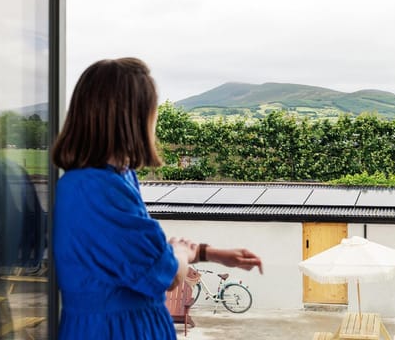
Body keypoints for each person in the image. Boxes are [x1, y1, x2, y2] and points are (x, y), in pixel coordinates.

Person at [52, 57, 263, 340]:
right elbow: (164, 275)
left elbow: (133, 253)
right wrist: (180, 254)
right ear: (132, 119)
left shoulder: (112, 179)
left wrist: (207, 253)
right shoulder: (97, 189)